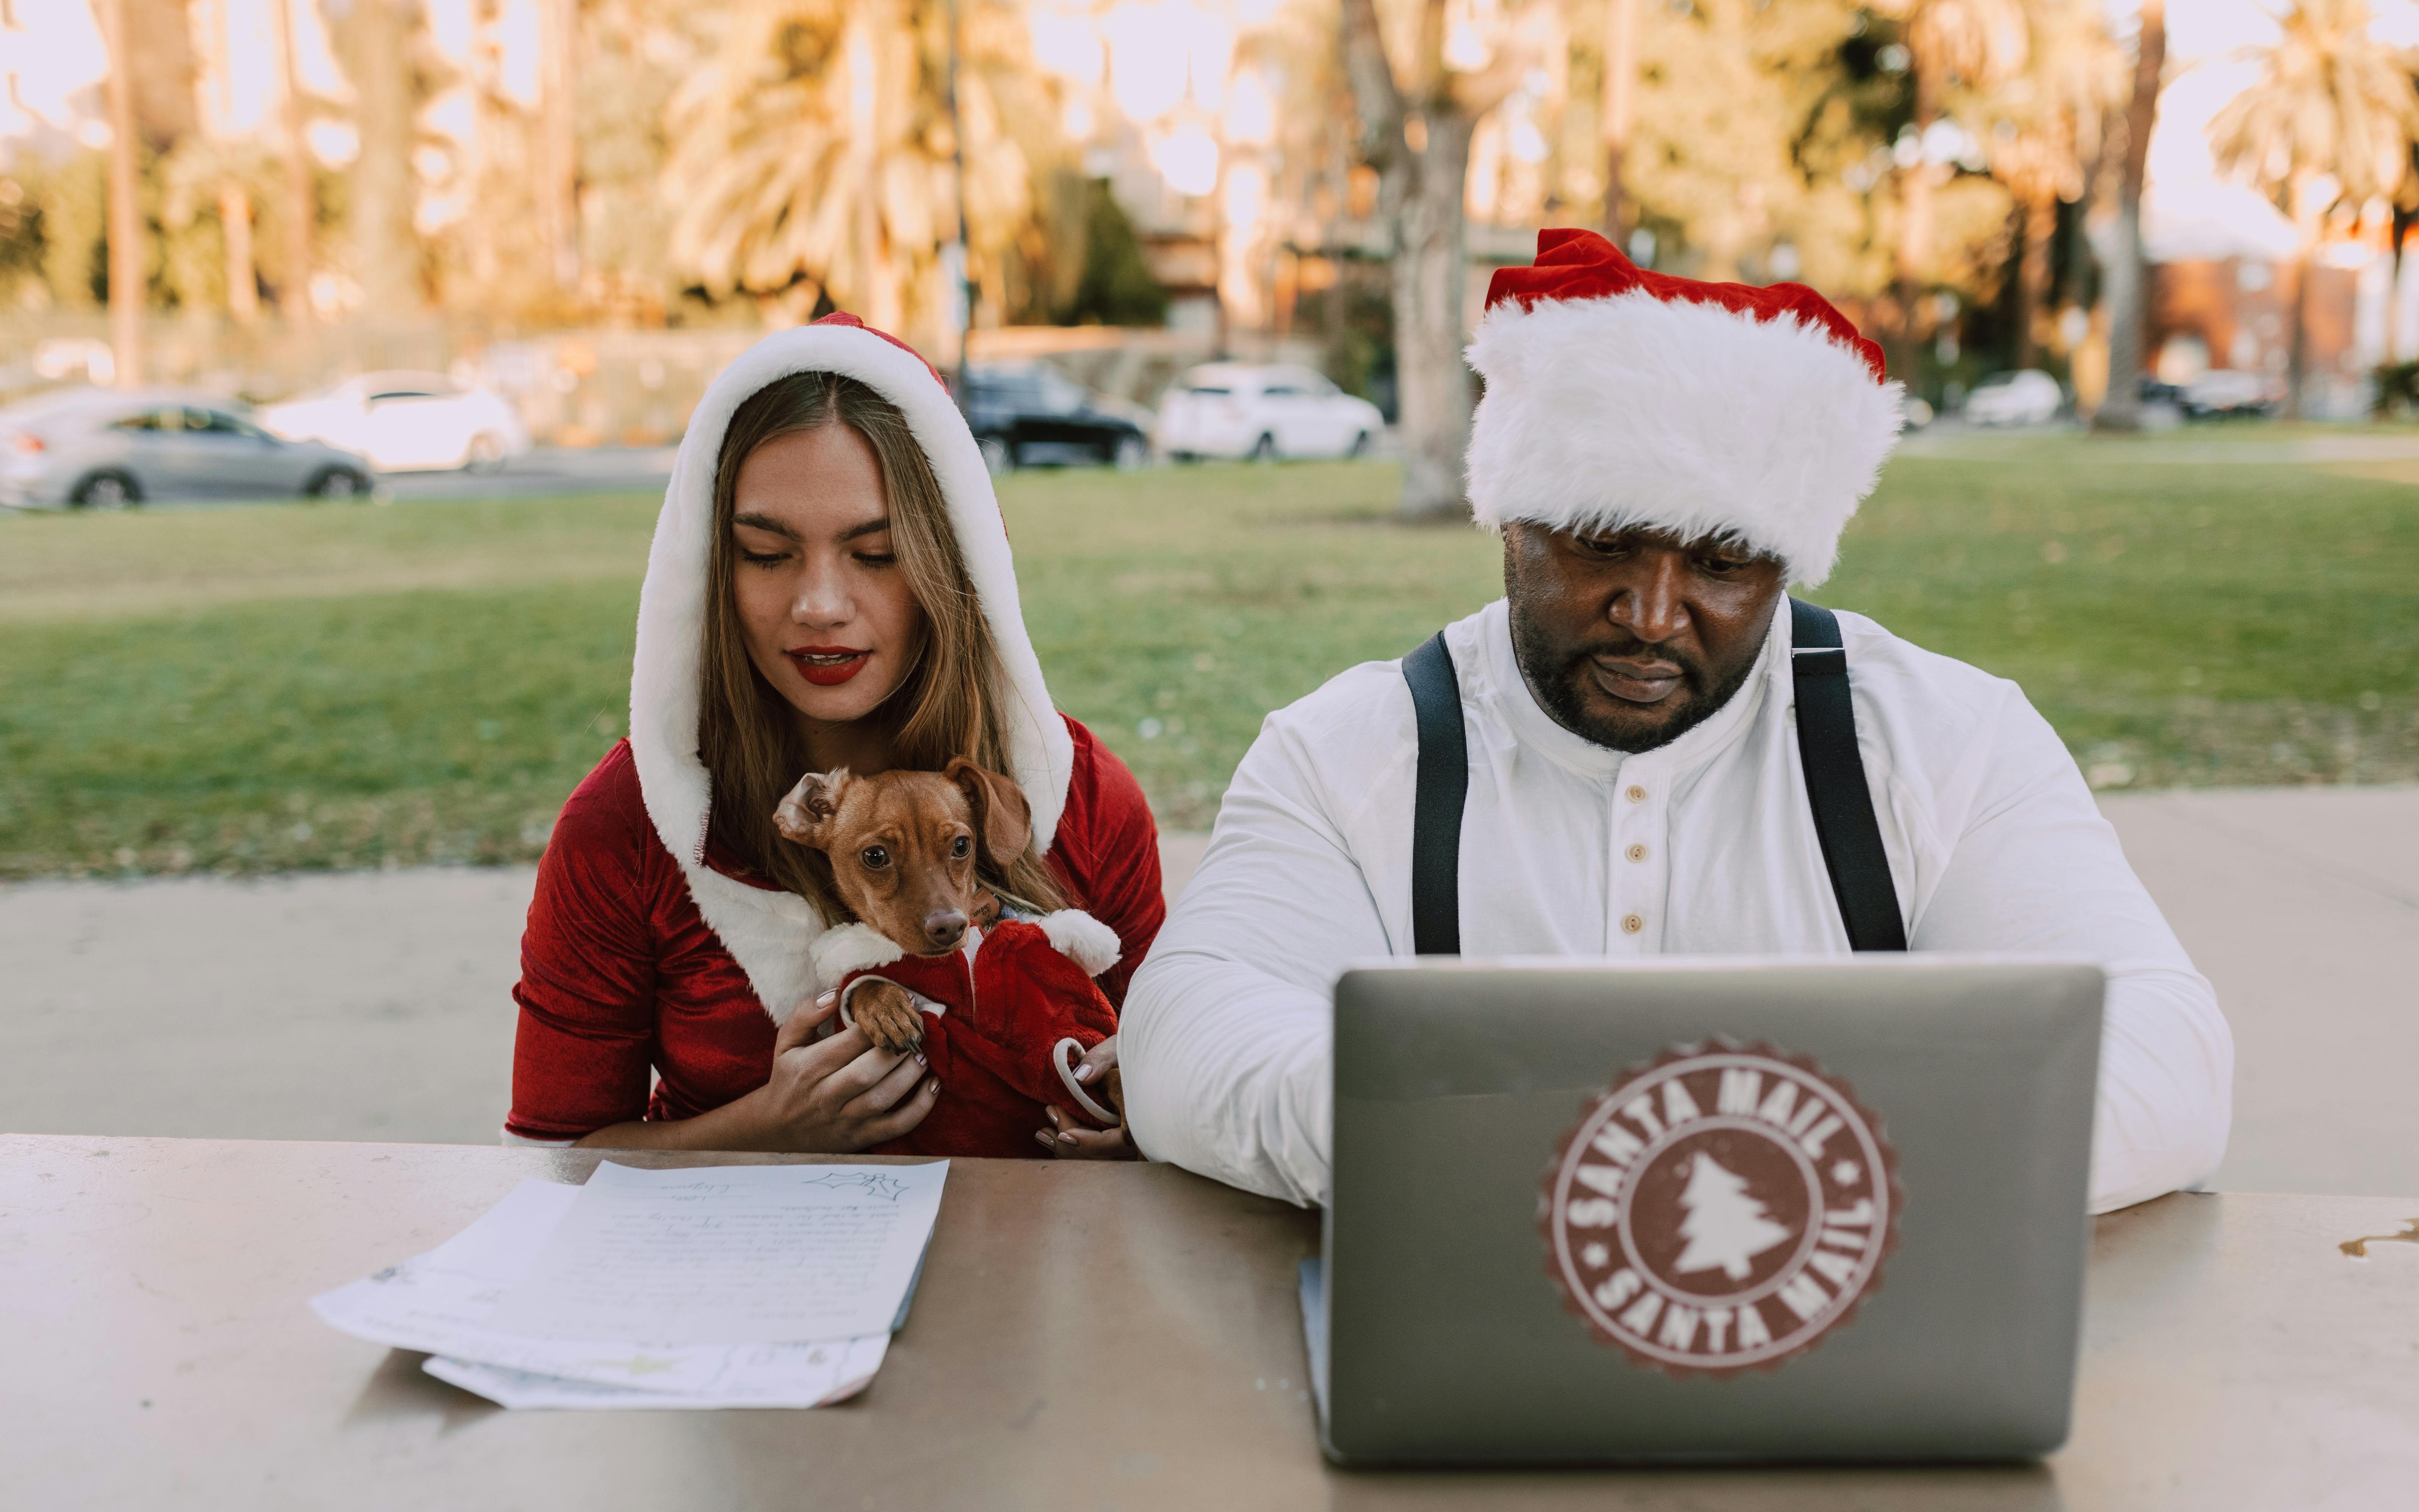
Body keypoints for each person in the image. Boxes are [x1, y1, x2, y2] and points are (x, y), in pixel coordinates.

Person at [1117, 230, 2232, 1214]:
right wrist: (1624, 1153)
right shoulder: (1344, 753)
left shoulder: (1949, 740)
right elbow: (1188, 1035)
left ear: (1785, 561)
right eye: (1602, 540)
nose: (1650, 616)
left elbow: (2162, 1058)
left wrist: (1744, 1171)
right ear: (1508, 519)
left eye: (1719, 563)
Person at [505, 314, 1159, 1156]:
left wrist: (1149, 1118)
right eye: (766, 554)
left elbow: (1193, 1078)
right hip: (742, 1278)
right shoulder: (627, 830)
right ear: (709, 568)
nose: (819, 603)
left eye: (876, 553)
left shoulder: (1084, 801)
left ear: (951, 563)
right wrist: (765, 1130)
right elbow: (550, 1163)